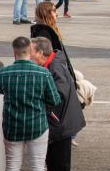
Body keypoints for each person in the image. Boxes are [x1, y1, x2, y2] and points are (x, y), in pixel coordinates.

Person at [0, 37, 60, 171]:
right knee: (37, 166)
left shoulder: (3, 73)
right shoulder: (43, 73)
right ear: (29, 52)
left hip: (12, 126)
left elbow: (0, 91)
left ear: (14, 52)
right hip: (37, 125)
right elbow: (55, 100)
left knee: (12, 165)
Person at [30, 37, 85, 171]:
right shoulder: (52, 64)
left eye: (31, 50)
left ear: (40, 53)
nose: (29, 54)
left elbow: (60, 94)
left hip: (61, 125)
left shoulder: (54, 67)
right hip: (60, 124)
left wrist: (39, 104)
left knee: (59, 164)